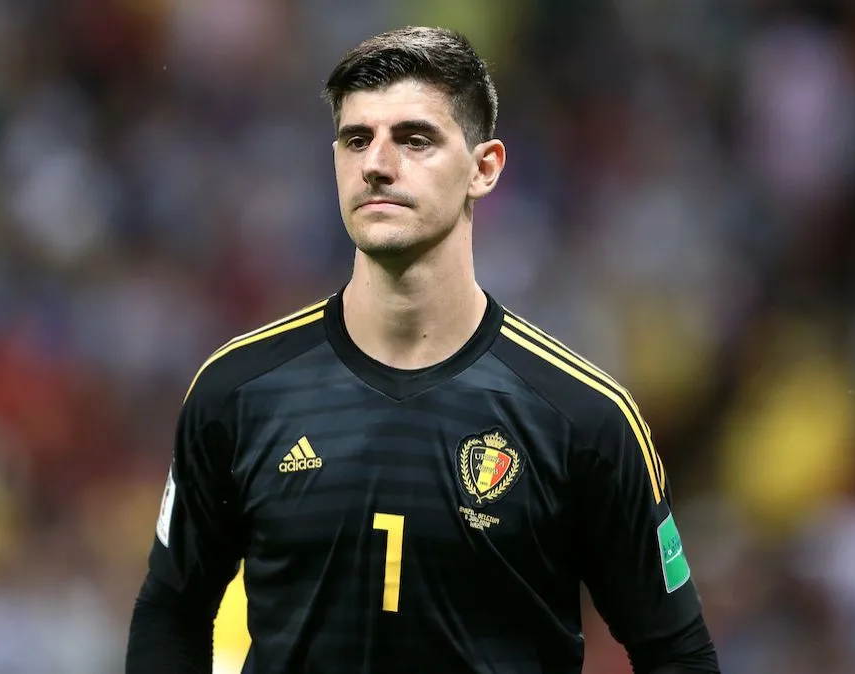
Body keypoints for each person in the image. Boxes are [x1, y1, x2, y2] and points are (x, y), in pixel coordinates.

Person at [125, 26, 720, 674]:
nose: (377, 164)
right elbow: (170, 612)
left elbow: (676, 652)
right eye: (357, 139)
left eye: (414, 139)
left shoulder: (582, 418)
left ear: (484, 168)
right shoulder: (238, 391)